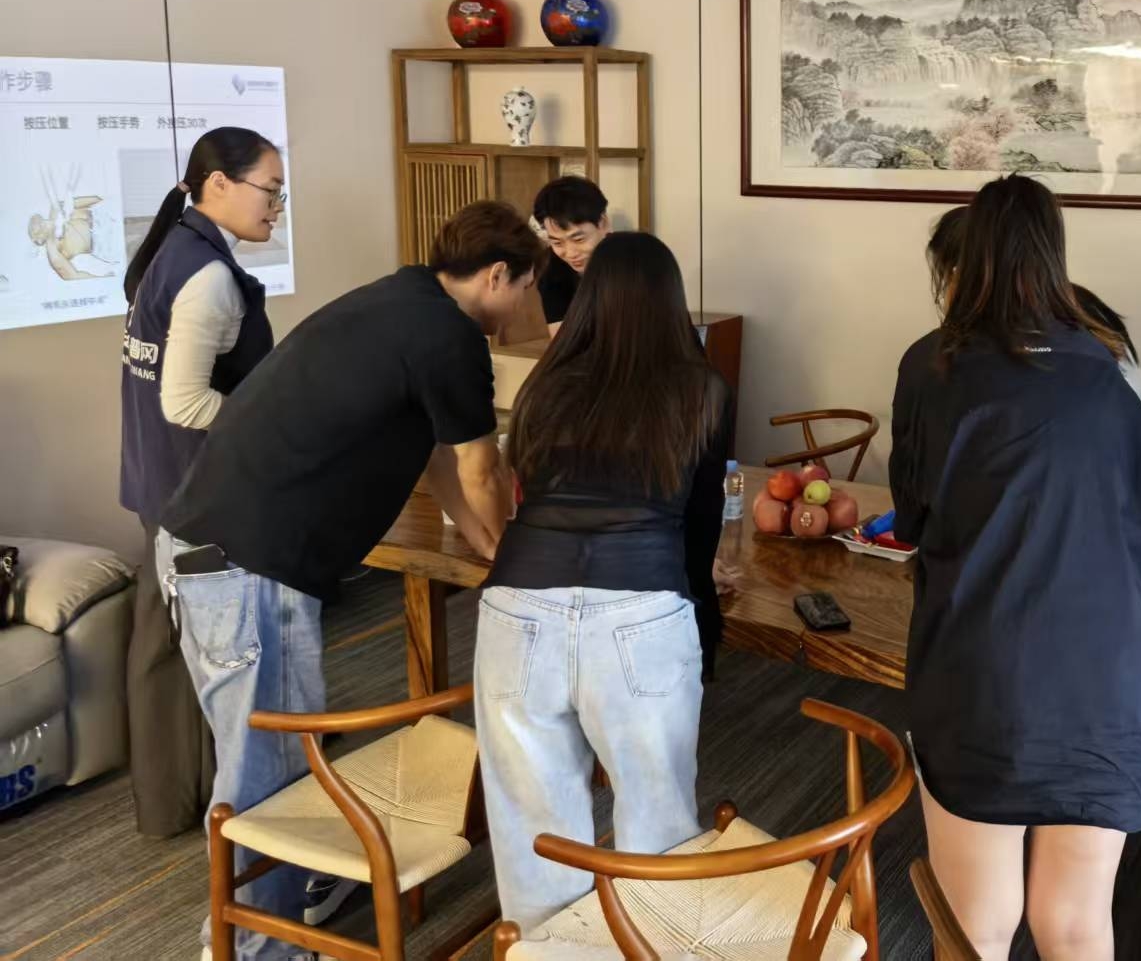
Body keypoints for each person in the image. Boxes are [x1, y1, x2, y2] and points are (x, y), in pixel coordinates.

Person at [158, 200, 539, 961]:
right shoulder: (450, 336)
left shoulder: (402, 301)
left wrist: (494, 551)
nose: (524, 306)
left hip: (213, 552)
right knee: (265, 778)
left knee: (267, 764)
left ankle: (266, 923)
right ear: (497, 275)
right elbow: (478, 466)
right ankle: (254, 948)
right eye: (526, 288)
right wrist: (520, 556)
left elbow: (439, 457)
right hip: (246, 569)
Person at [893, 175, 1141, 960]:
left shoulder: (931, 366)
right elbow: (1140, 520)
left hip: (984, 673)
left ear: (969, 253)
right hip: (1104, 682)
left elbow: (912, 519)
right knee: (1075, 922)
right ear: (1054, 251)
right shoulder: (1111, 368)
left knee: (977, 924)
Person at [476, 231, 733, 933]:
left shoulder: (545, 385)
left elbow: (524, 490)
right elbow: (700, 527)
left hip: (518, 606)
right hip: (640, 611)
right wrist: (704, 616)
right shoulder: (702, 389)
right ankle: (651, 942)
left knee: (532, 822)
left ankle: (545, 945)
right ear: (671, 303)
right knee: (657, 815)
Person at [119, 128, 282, 843]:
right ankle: (245, 811)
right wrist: (272, 424)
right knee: (226, 655)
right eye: (270, 190)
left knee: (162, 647)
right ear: (218, 184)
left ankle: (171, 804)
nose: (276, 206)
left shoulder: (170, 251)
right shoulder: (207, 275)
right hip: (198, 492)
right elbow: (185, 401)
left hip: (159, 479)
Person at [926, 203, 1141, 508]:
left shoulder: (1010, 334)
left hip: (1090, 504)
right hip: (1127, 498)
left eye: (950, 275)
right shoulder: (1077, 306)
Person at [533, 175, 610, 336]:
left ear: (603, 223)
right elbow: (563, 341)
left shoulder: (633, 261)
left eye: (579, 239)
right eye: (557, 243)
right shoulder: (552, 270)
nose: (570, 253)